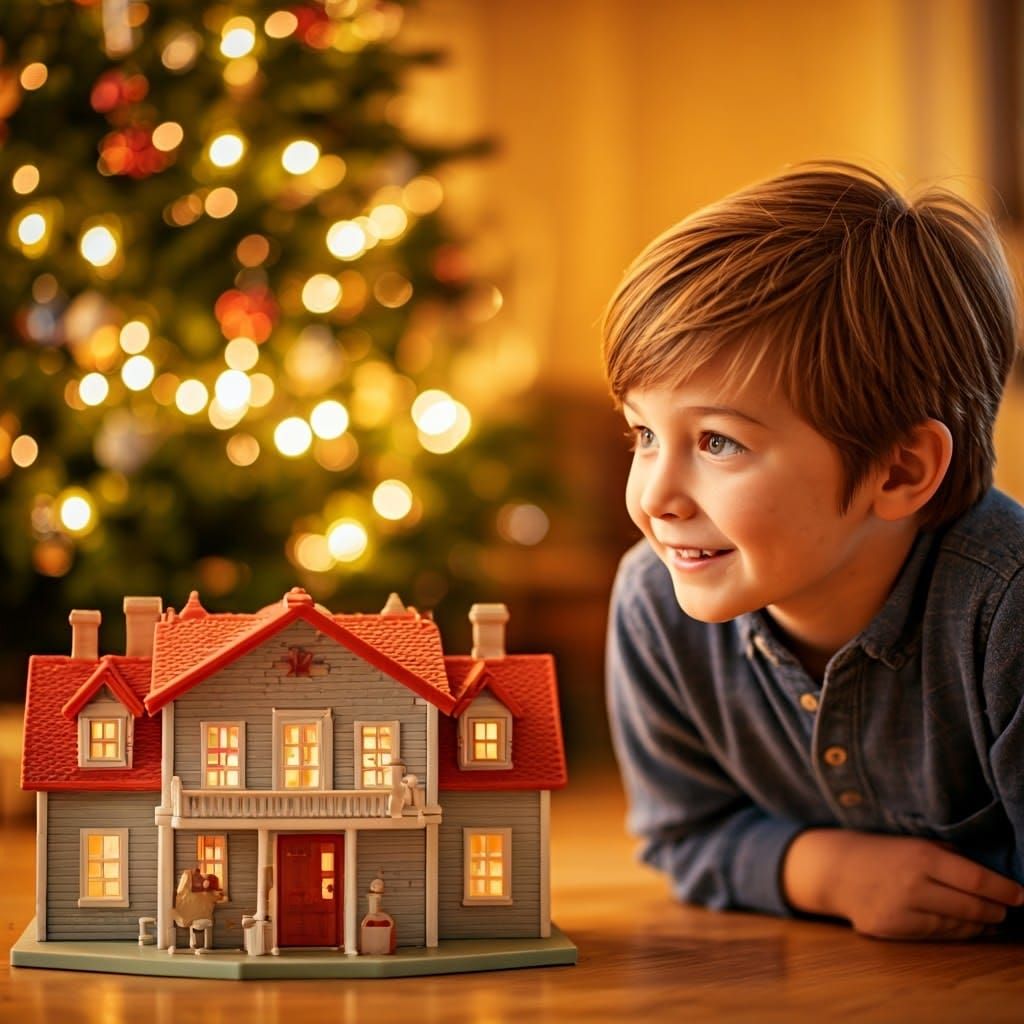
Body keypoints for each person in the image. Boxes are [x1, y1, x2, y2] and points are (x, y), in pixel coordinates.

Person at [603, 161, 1024, 941]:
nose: (656, 498)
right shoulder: (653, 602)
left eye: (718, 441)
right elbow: (681, 835)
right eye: (644, 434)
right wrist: (826, 872)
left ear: (899, 471)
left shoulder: (1007, 613)